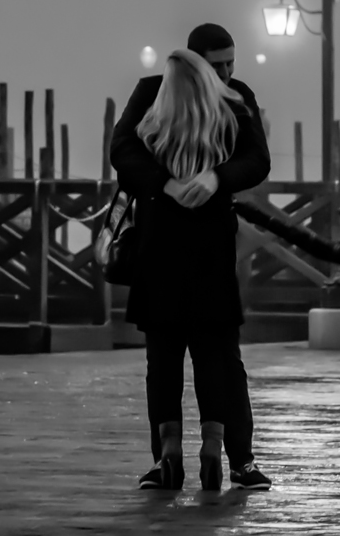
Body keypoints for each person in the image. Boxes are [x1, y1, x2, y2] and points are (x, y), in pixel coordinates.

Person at [110, 24, 273, 491]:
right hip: (161, 240)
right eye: (218, 65)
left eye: (232, 63)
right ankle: (167, 461)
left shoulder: (238, 96)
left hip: (209, 241)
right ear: (195, 61)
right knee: (164, 356)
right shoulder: (151, 91)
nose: (227, 73)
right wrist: (166, 184)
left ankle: (239, 459)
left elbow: (257, 160)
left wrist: (216, 178)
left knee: (221, 354)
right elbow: (122, 150)